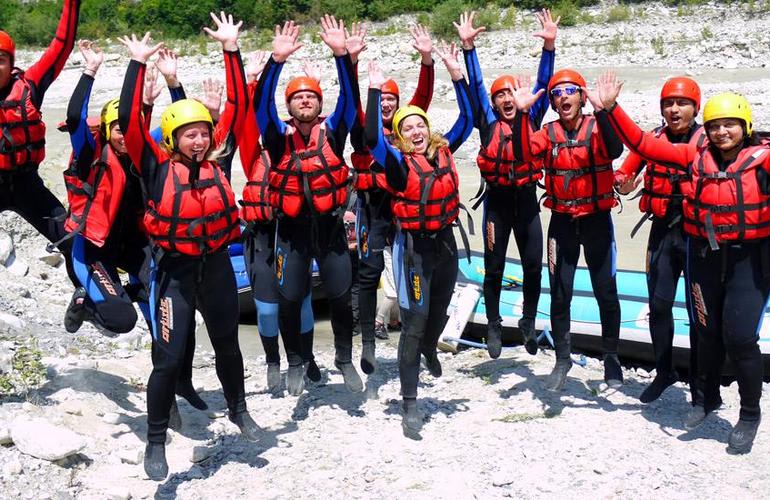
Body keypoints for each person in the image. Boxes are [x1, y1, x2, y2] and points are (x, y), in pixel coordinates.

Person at [118, 13, 259, 480]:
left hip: (216, 267)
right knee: (169, 357)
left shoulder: (222, 160)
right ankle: (155, 441)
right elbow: (128, 123)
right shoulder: (155, 168)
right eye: (189, 134)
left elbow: (237, 106)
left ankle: (238, 410)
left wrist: (231, 50)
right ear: (174, 139)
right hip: (174, 272)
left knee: (228, 346)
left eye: (203, 131)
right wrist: (138, 66)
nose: (198, 139)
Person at [600, 71, 767, 454]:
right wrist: (611, 109)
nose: (723, 132)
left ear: (745, 126)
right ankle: (702, 397)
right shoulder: (695, 153)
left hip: (748, 259)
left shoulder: (763, 160)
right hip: (701, 250)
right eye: (717, 126)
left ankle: (748, 413)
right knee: (698, 324)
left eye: (730, 125)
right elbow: (642, 144)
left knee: (739, 337)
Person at [365, 41, 473, 435]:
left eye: (419, 124)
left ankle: (431, 346)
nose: (415, 130)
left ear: (429, 130)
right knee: (413, 322)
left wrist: (455, 71)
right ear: (400, 136)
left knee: (440, 313)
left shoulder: (445, 151)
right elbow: (372, 140)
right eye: (406, 127)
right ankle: (410, 402)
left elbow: (471, 116)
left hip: (445, 244)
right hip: (412, 251)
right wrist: (375, 92)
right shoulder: (395, 164)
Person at [254, 17, 363, 395]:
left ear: (319, 105)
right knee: (289, 298)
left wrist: (341, 56)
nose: (305, 100)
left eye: (312, 97)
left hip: (331, 230)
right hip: (293, 233)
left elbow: (351, 100)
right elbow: (260, 104)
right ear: (290, 106)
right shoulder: (276, 136)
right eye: (298, 97)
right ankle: (296, 361)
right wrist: (276, 61)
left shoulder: (333, 132)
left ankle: (345, 359)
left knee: (339, 296)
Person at [509, 68, 625, 392]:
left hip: (597, 221)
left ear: (582, 96)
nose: (563, 98)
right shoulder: (547, 133)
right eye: (556, 94)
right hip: (561, 224)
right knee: (560, 294)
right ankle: (563, 359)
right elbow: (521, 154)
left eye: (570, 91)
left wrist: (604, 110)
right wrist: (521, 114)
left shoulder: (597, 127)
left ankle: (612, 357)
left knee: (606, 292)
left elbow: (615, 150)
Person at [456, 9, 557, 358]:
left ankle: (528, 321)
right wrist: (468, 49)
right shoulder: (487, 123)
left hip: (527, 202)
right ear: (495, 103)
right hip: (497, 204)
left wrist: (549, 47)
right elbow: (477, 88)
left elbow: (545, 82)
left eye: (510, 94)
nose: (505, 99)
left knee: (532, 265)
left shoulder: (534, 115)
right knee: (495, 265)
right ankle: (494, 324)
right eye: (500, 96)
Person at [346, 22, 435, 374]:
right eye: (381, 100)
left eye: (392, 101)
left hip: (402, 204)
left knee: (413, 269)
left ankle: (419, 339)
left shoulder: (403, 127)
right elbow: (352, 99)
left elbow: (424, 99)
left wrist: (427, 61)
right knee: (369, 273)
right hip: (371, 206)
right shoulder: (361, 125)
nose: (386, 105)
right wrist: (351, 62)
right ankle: (368, 340)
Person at [614, 77, 705, 403]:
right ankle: (665, 372)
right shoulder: (651, 138)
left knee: (699, 313)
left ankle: (699, 383)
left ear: (696, 107)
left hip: (697, 237)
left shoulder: (706, 142)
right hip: (663, 231)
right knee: (659, 305)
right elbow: (626, 173)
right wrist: (623, 183)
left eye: (681, 103)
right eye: (668, 103)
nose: (674, 109)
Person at [239, 51, 319, 395]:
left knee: (300, 304)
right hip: (260, 236)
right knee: (268, 310)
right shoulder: (252, 152)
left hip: (293, 233)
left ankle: (302, 358)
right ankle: (273, 359)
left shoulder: (298, 150)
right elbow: (250, 116)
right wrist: (253, 80)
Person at [0, 0, 81, 288]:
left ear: (11, 64)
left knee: (72, 240)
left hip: (26, 184)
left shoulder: (30, 86)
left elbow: (62, 45)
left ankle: (85, 298)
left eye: (1, 59)